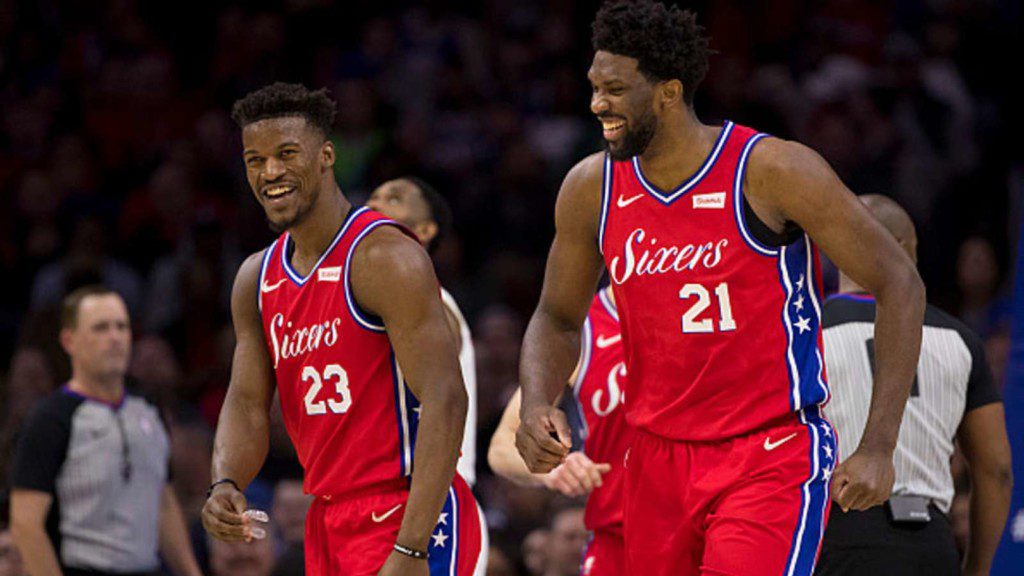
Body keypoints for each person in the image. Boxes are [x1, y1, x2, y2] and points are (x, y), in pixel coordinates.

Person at [514, 2, 926, 575]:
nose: (596, 104)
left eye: (614, 89)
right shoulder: (591, 188)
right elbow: (556, 317)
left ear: (668, 92)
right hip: (655, 457)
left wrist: (880, 444)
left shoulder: (772, 170)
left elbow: (899, 282)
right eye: (593, 86)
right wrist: (537, 401)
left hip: (769, 452)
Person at [201, 83, 484, 576]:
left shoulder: (383, 256)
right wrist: (225, 481)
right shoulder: (256, 278)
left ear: (327, 155)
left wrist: (413, 547)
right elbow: (247, 402)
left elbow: (446, 397)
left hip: (410, 510)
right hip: (329, 516)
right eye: (255, 160)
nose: (271, 173)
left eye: (287, 154)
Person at [817, 195, 1013, 576]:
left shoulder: (800, 332)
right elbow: (997, 470)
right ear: (906, 249)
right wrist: (975, 566)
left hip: (835, 539)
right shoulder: (961, 339)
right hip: (930, 544)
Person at [8, 285, 202, 576]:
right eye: (100, 328)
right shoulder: (50, 418)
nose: (114, 338)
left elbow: (162, 501)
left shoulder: (148, 408)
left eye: (121, 327)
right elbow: (26, 524)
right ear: (69, 340)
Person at [489, 287, 628, 575]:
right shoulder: (581, 328)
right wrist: (554, 467)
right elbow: (503, 445)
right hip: (617, 533)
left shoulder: (705, 308)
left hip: (703, 514)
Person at [367, 177, 479, 486]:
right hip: (376, 492)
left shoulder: (437, 305)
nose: (372, 205)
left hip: (440, 498)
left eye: (393, 199)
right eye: (372, 198)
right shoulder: (363, 302)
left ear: (425, 230)